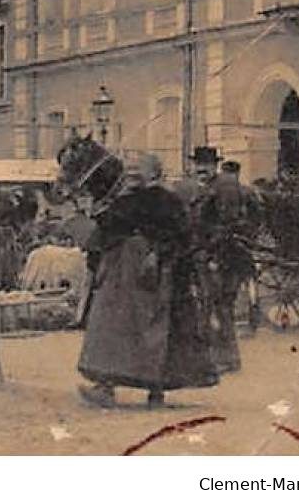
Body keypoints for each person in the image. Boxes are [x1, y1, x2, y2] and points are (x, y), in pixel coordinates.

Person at [77, 152, 219, 409]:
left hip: (148, 277)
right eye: (129, 169)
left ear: (154, 173)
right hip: (127, 275)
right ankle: (117, 389)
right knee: (126, 328)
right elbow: (107, 231)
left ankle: (140, 390)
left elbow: (180, 236)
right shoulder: (131, 200)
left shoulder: (162, 201)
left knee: (137, 329)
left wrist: (158, 254)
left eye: (137, 169)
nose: (130, 173)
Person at [194, 159, 260, 373]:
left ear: (214, 167)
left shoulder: (220, 188)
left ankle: (219, 359)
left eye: (203, 168)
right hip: (231, 254)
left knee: (215, 306)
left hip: (221, 255)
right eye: (198, 168)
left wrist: (210, 248)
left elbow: (223, 224)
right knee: (221, 308)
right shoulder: (231, 187)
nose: (199, 172)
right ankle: (227, 358)